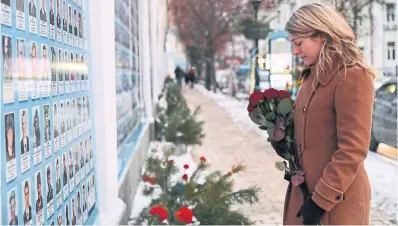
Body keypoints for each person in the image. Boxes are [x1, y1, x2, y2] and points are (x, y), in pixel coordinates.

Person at [281, 3, 375, 225]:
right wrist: (282, 137)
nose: (295, 51)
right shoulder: (311, 77)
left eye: (298, 43)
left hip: (335, 203)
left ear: (321, 35)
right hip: (304, 196)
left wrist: (320, 201)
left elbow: (353, 149)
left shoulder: (352, 76)